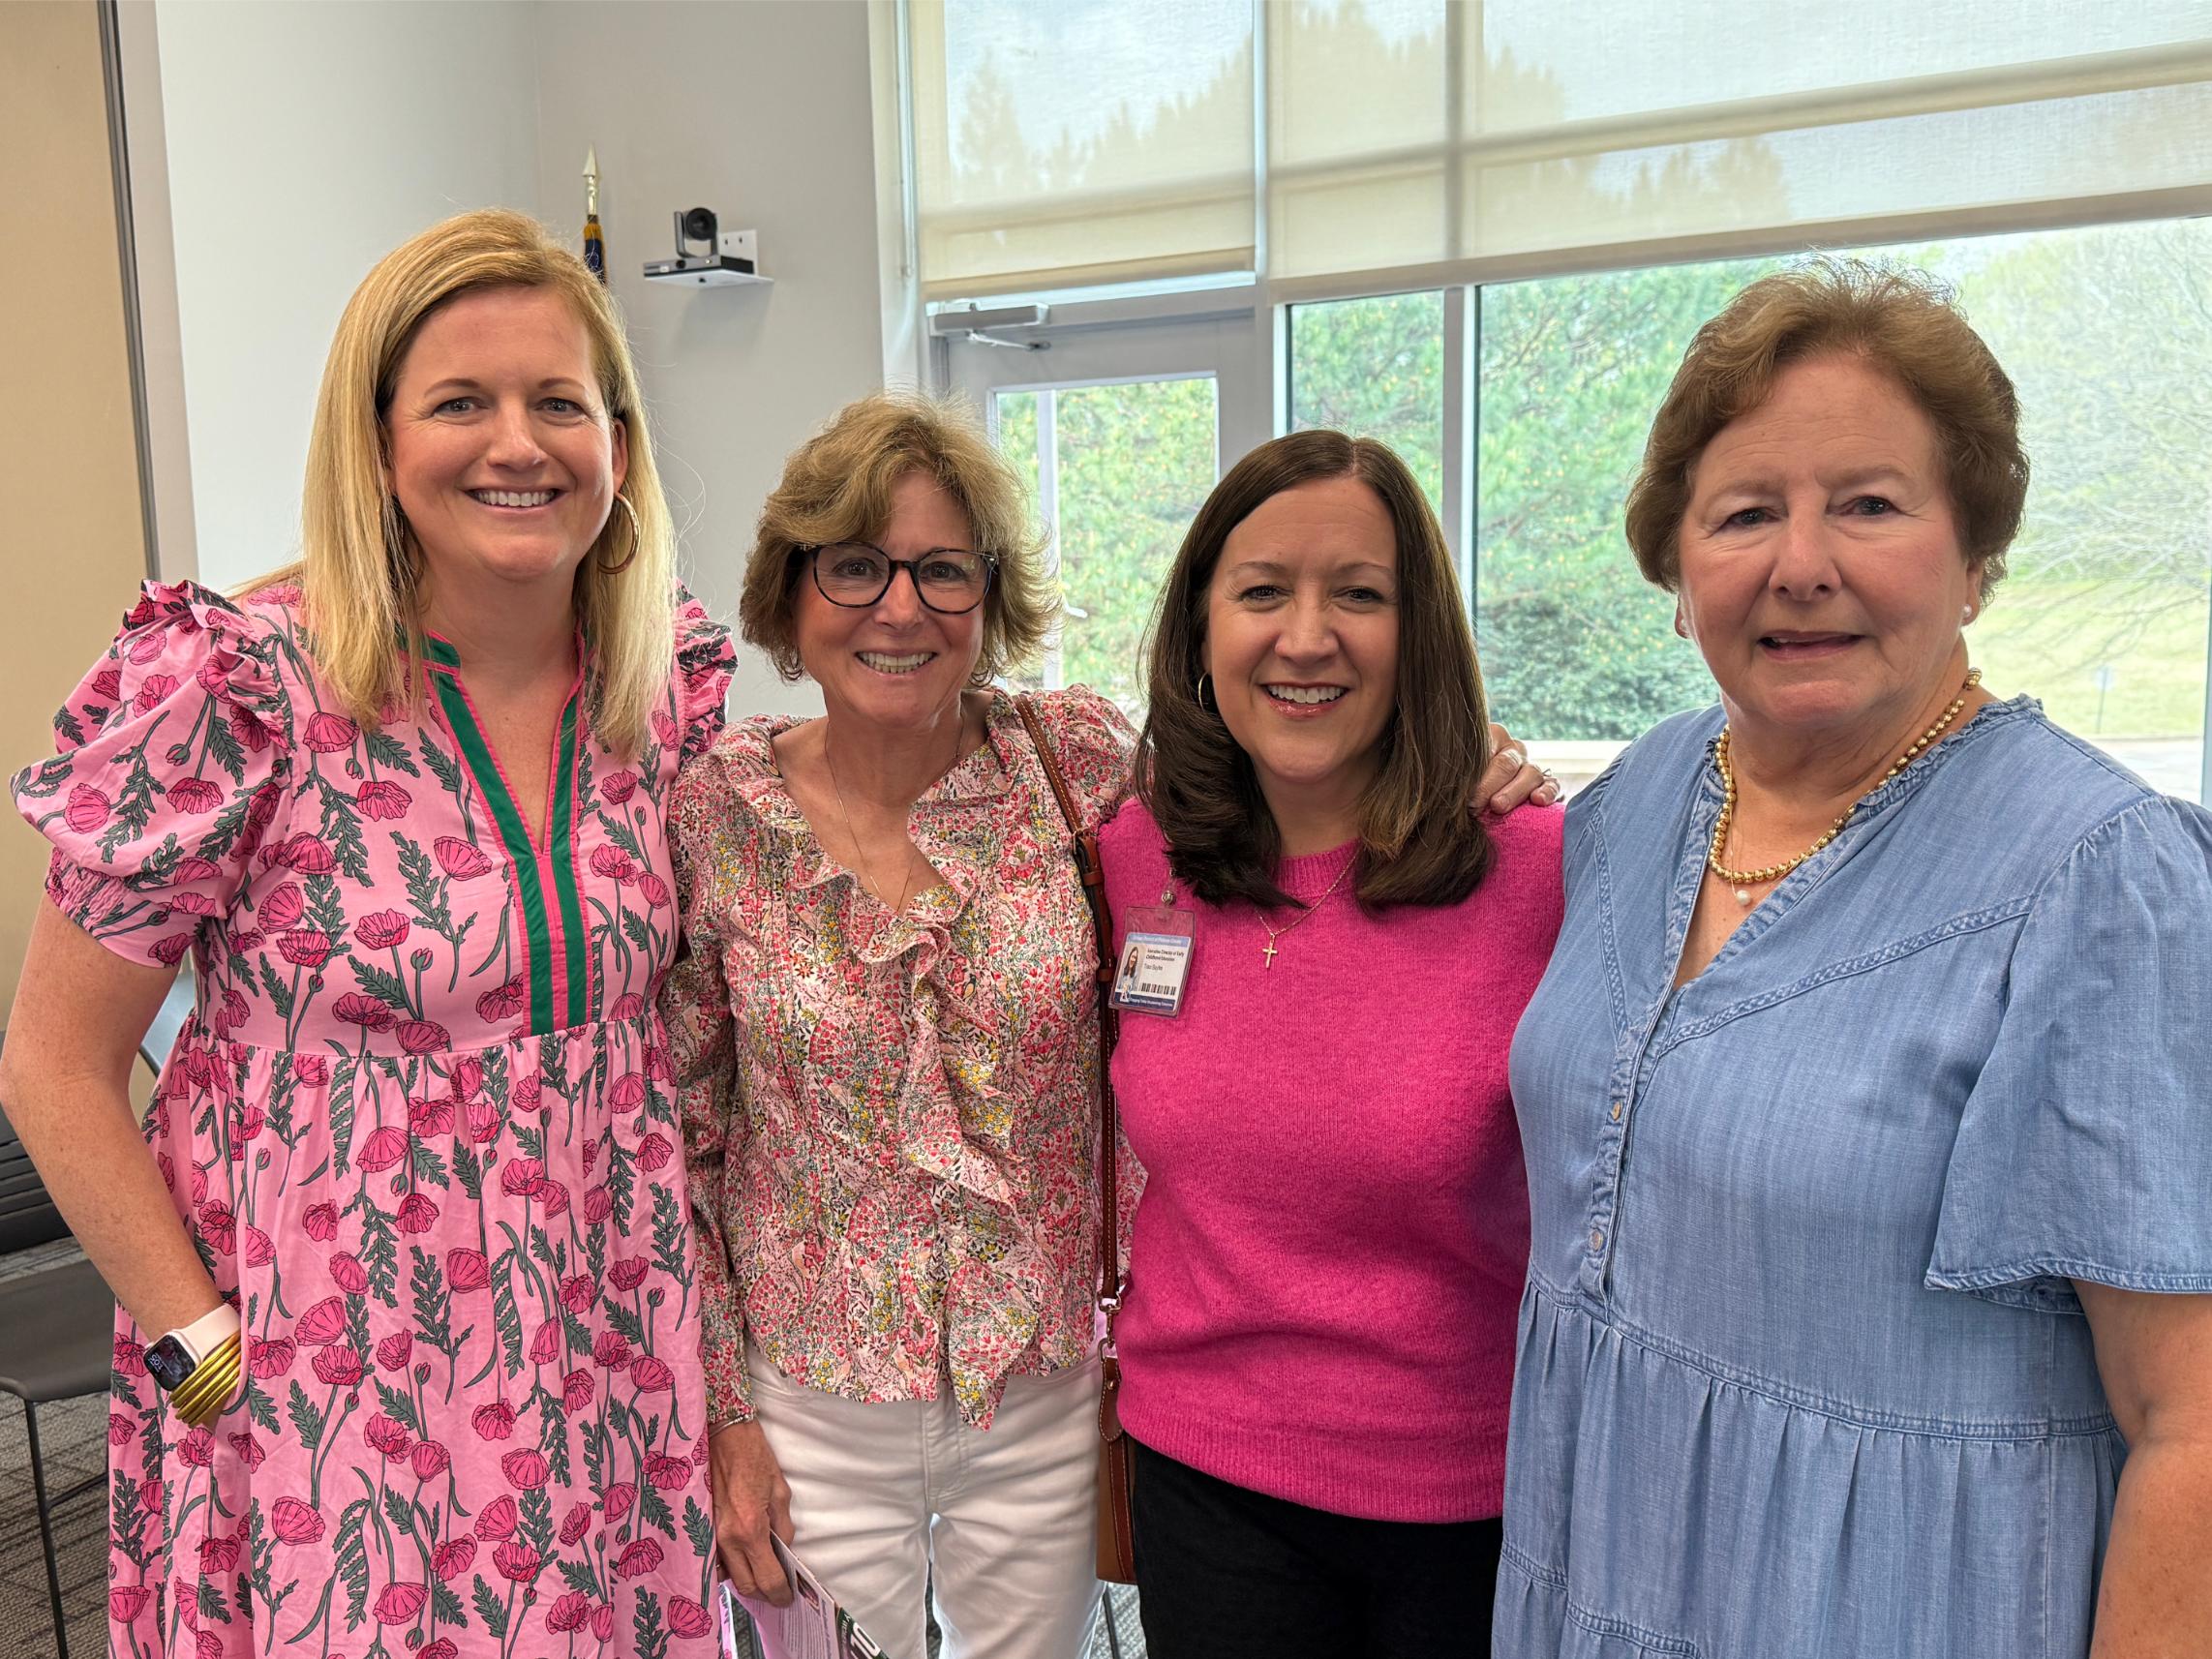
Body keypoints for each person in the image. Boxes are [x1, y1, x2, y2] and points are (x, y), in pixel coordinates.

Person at [662, 394, 1555, 1659]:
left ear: (989, 595)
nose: (900, 608)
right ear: (790, 591)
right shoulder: (716, 809)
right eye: (854, 565)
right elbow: (683, 1134)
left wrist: (1471, 752)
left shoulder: (1076, 768)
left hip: (1044, 1384)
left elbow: (1284, 761)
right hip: (809, 1391)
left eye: (942, 569)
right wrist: (721, 1412)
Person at [2, 209, 734, 1657]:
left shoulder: (658, 688)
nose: (517, 444)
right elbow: (53, 1065)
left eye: (559, 402)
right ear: (378, 441)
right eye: (460, 402)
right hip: (327, 1377)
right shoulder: (236, 685)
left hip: (608, 1342)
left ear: (618, 444)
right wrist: (205, 1352)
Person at [1497, 260, 2212, 1657]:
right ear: (1677, 571)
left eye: (1869, 505)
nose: (1800, 563)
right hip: (1591, 1568)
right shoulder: (1633, 803)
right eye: (1743, 512)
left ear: (1974, 556)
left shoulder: (2101, 880)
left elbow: (2188, 1421)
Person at [1099, 430, 1563, 1658]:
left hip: (1466, 1497)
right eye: (1261, 592)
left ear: (1418, 634)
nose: (1305, 638)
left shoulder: (1543, 874)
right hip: (1201, 1475)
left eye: (1358, 595)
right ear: (1200, 627)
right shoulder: (1133, 858)